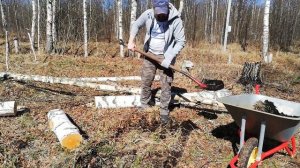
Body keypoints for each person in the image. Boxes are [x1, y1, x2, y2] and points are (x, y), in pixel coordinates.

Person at [128, 0, 185, 125]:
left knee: (166, 84)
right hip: (149, 54)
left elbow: (181, 41)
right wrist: (131, 40)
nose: (161, 15)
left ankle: (164, 111)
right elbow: (136, 24)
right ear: (154, 8)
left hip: (166, 56)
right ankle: (144, 105)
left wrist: (168, 58)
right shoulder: (148, 14)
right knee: (146, 80)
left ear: (168, 8)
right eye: (158, 12)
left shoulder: (176, 20)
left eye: (163, 12)